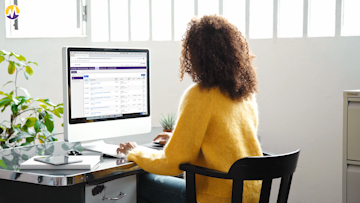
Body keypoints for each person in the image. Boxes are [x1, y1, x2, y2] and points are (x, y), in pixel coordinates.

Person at [117, 14, 262, 203]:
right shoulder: (245, 94)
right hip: (250, 194)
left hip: (218, 197)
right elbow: (226, 141)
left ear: (195, 55)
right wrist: (180, 139)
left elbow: (172, 164)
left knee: (142, 181)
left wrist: (134, 152)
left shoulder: (200, 96)